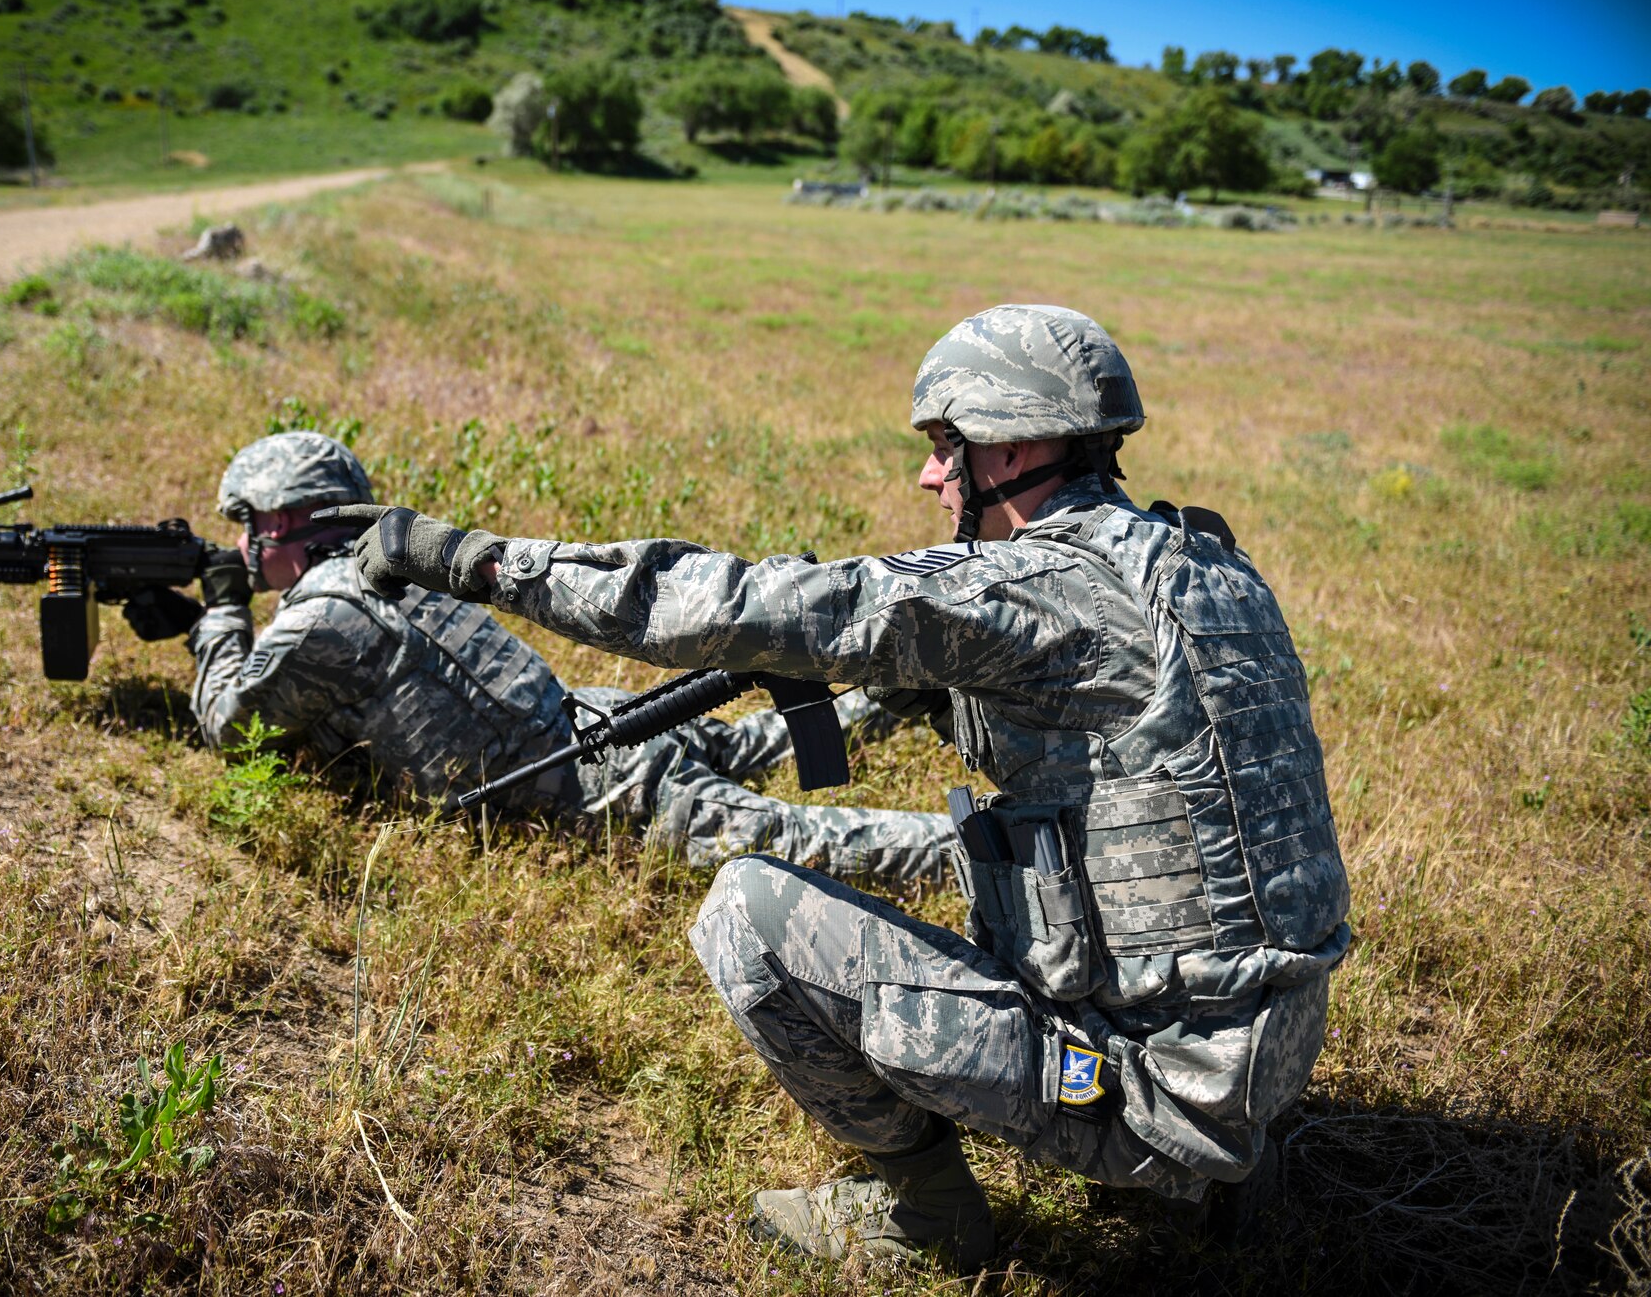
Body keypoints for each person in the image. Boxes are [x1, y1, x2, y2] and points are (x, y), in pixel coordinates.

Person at [337, 305, 1351, 1273]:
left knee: (747, 912)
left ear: (1004, 452)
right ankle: (1206, 1168)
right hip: (1260, 1058)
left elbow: (714, 607)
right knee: (989, 842)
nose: (926, 474)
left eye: (943, 446)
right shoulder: (1211, 571)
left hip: (1153, 1089)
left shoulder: (1030, 587)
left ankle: (927, 1215)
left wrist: (462, 558)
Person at [120, 431, 956, 884]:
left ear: (285, 525)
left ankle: (984, 849)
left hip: (592, 783)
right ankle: (896, 697)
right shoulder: (396, 562)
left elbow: (234, 727)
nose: (237, 542)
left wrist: (221, 616)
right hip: (595, 719)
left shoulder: (326, 616)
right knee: (746, 747)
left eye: (247, 527)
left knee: (797, 840)